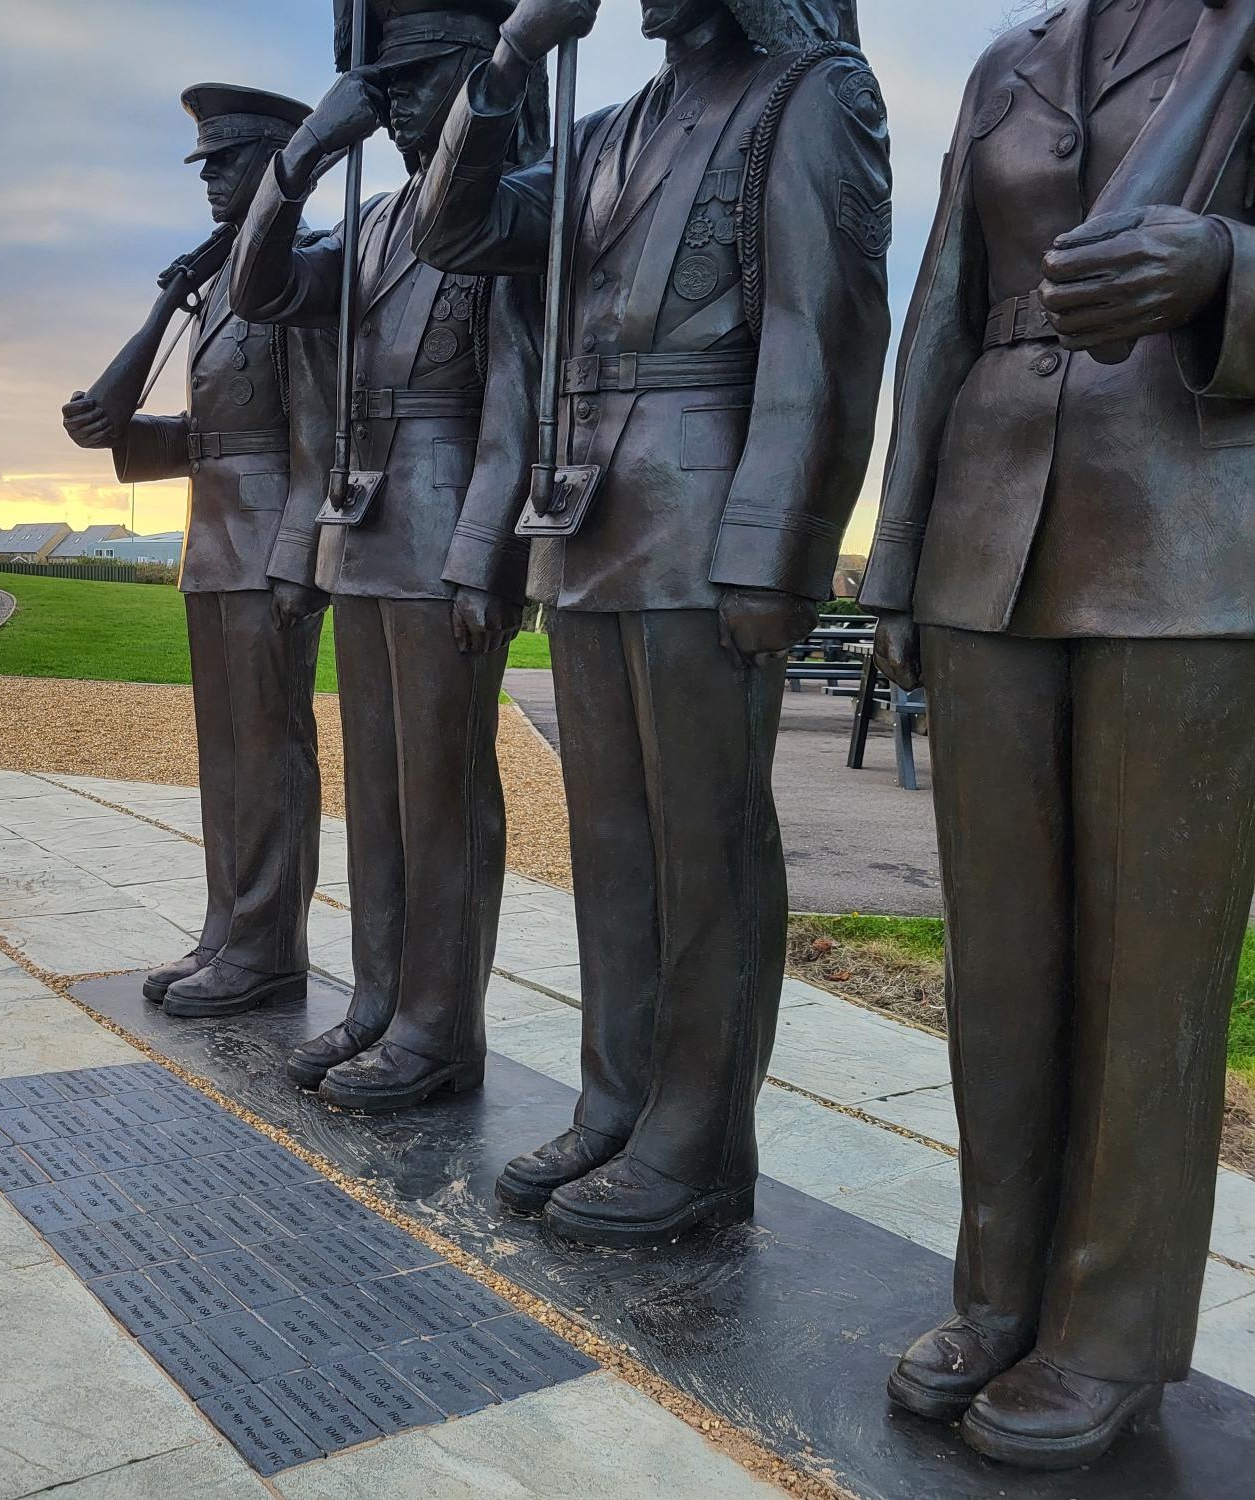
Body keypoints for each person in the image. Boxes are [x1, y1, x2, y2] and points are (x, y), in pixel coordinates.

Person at [413, 0, 889, 1245]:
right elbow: (455, 230)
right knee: (616, 848)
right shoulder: (604, 125)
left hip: (705, 514)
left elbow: (820, 330)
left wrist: (773, 553)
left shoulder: (806, 93)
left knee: (705, 850)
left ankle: (696, 1143)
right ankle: (617, 1100)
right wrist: (510, 58)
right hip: (584, 521)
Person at [859, 0, 1255, 1471]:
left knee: (1149, 967)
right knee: (1003, 956)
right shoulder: (1012, 56)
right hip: (988, 528)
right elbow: (939, 313)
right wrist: (896, 557)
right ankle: (997, 1292)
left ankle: (1110, 1333)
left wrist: (1224, 262)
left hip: (1196, 542)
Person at [228, 0, 543, 1112]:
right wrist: (308, 151)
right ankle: (376, 1001)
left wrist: (477, 556)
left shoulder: (511, 210)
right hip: (361, 541)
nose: (403, 102)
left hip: (447, 531)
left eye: (420, 79)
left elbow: (516, 401)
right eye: (388, 86)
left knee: (442, 793)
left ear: (475, 69)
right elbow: (254, 291)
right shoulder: (368, 224)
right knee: (376, 794)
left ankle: (436, 1025)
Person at [63, 85, 333, 1020]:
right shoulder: (218, 279)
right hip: (214, 539)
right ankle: (228, 930)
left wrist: (301, 551)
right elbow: (222, 427)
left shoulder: (299, 268)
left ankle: (266, 950)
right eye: (206, 163)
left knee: (268, 751)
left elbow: (320, 434)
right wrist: (135, 418)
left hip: (266, 547)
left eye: (225, 160)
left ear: (274, 162)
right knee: (225, 755)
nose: (210, 179)